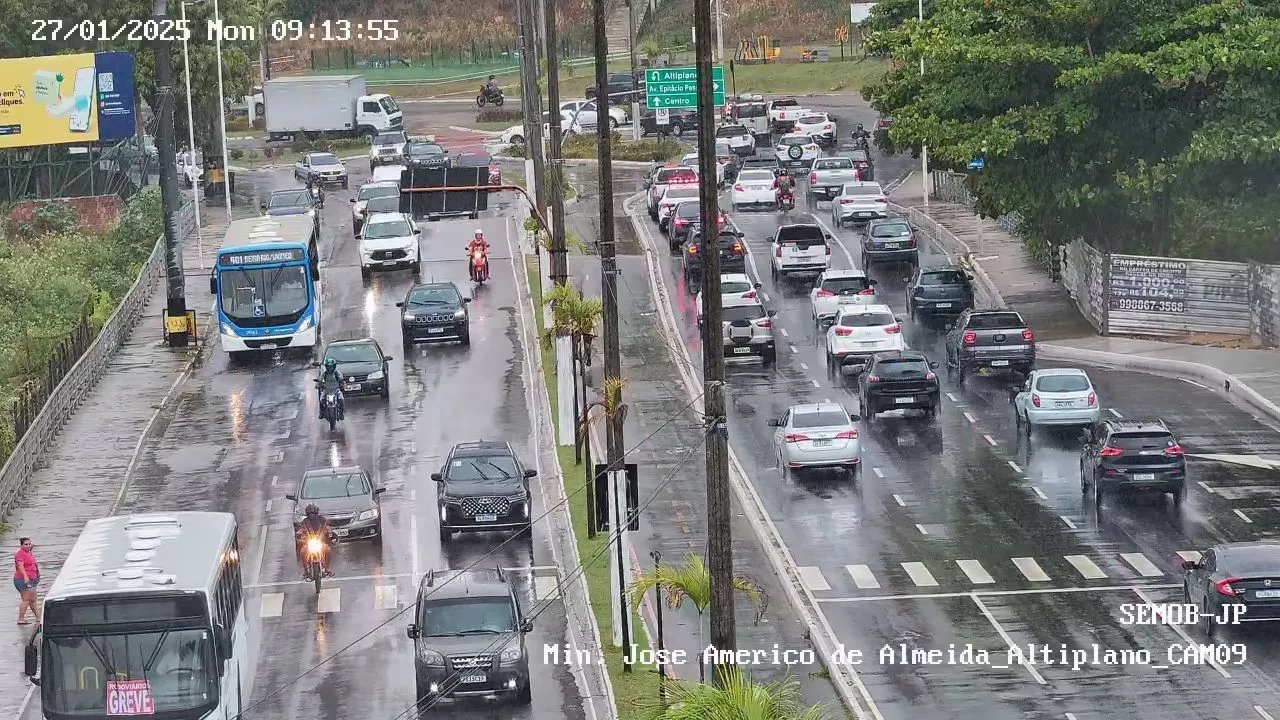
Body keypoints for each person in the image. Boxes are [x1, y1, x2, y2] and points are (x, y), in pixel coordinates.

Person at [295, 505, 334, 576]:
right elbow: (301, 529)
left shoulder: (322, 520)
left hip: (320, 542)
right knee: (303, 552)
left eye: (313, 513)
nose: (312, 515)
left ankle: (327, 569)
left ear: (316, 513)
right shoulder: (305, 521)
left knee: (328, 550)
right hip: (309, 543)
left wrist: (329, 531)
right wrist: (299, 533)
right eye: (310, 513)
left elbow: (327, 527)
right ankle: (306, 571)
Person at [14, 537, 40, 626]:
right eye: (26, 544)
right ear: (21, 545)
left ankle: (38, 618)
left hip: (32, 579)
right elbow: (20, 566)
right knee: (26, 599)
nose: (28, 546)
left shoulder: (28, 551)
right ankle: (21, 619)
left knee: (32, 600)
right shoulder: (20, 554)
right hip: (23, 580)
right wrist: (25, 576)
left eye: (29, 544)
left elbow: (30, 547)